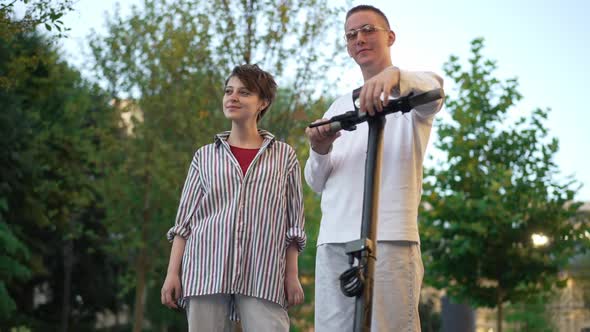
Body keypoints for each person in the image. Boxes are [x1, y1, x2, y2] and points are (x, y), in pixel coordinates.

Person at [304, 5, 444, 332]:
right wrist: (319, 149)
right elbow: (315, 181)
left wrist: (393, 76)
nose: (359, 39)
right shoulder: (338, 106)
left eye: (368, 30)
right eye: (351, 35)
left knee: (392, 326)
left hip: (390, 236)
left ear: (390, 36)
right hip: (335, 239)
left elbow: (434, 91)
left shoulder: (411, 92)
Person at [161, 64, 306, 332]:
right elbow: (184, 223)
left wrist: (292, 274)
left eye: (244, 92)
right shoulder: (204, 156)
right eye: (229, 91)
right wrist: (173, 273)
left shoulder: (285, 156)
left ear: (263, 102)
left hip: (264, 273)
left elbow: (293, 222)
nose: (233, 97)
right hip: (206, 270)